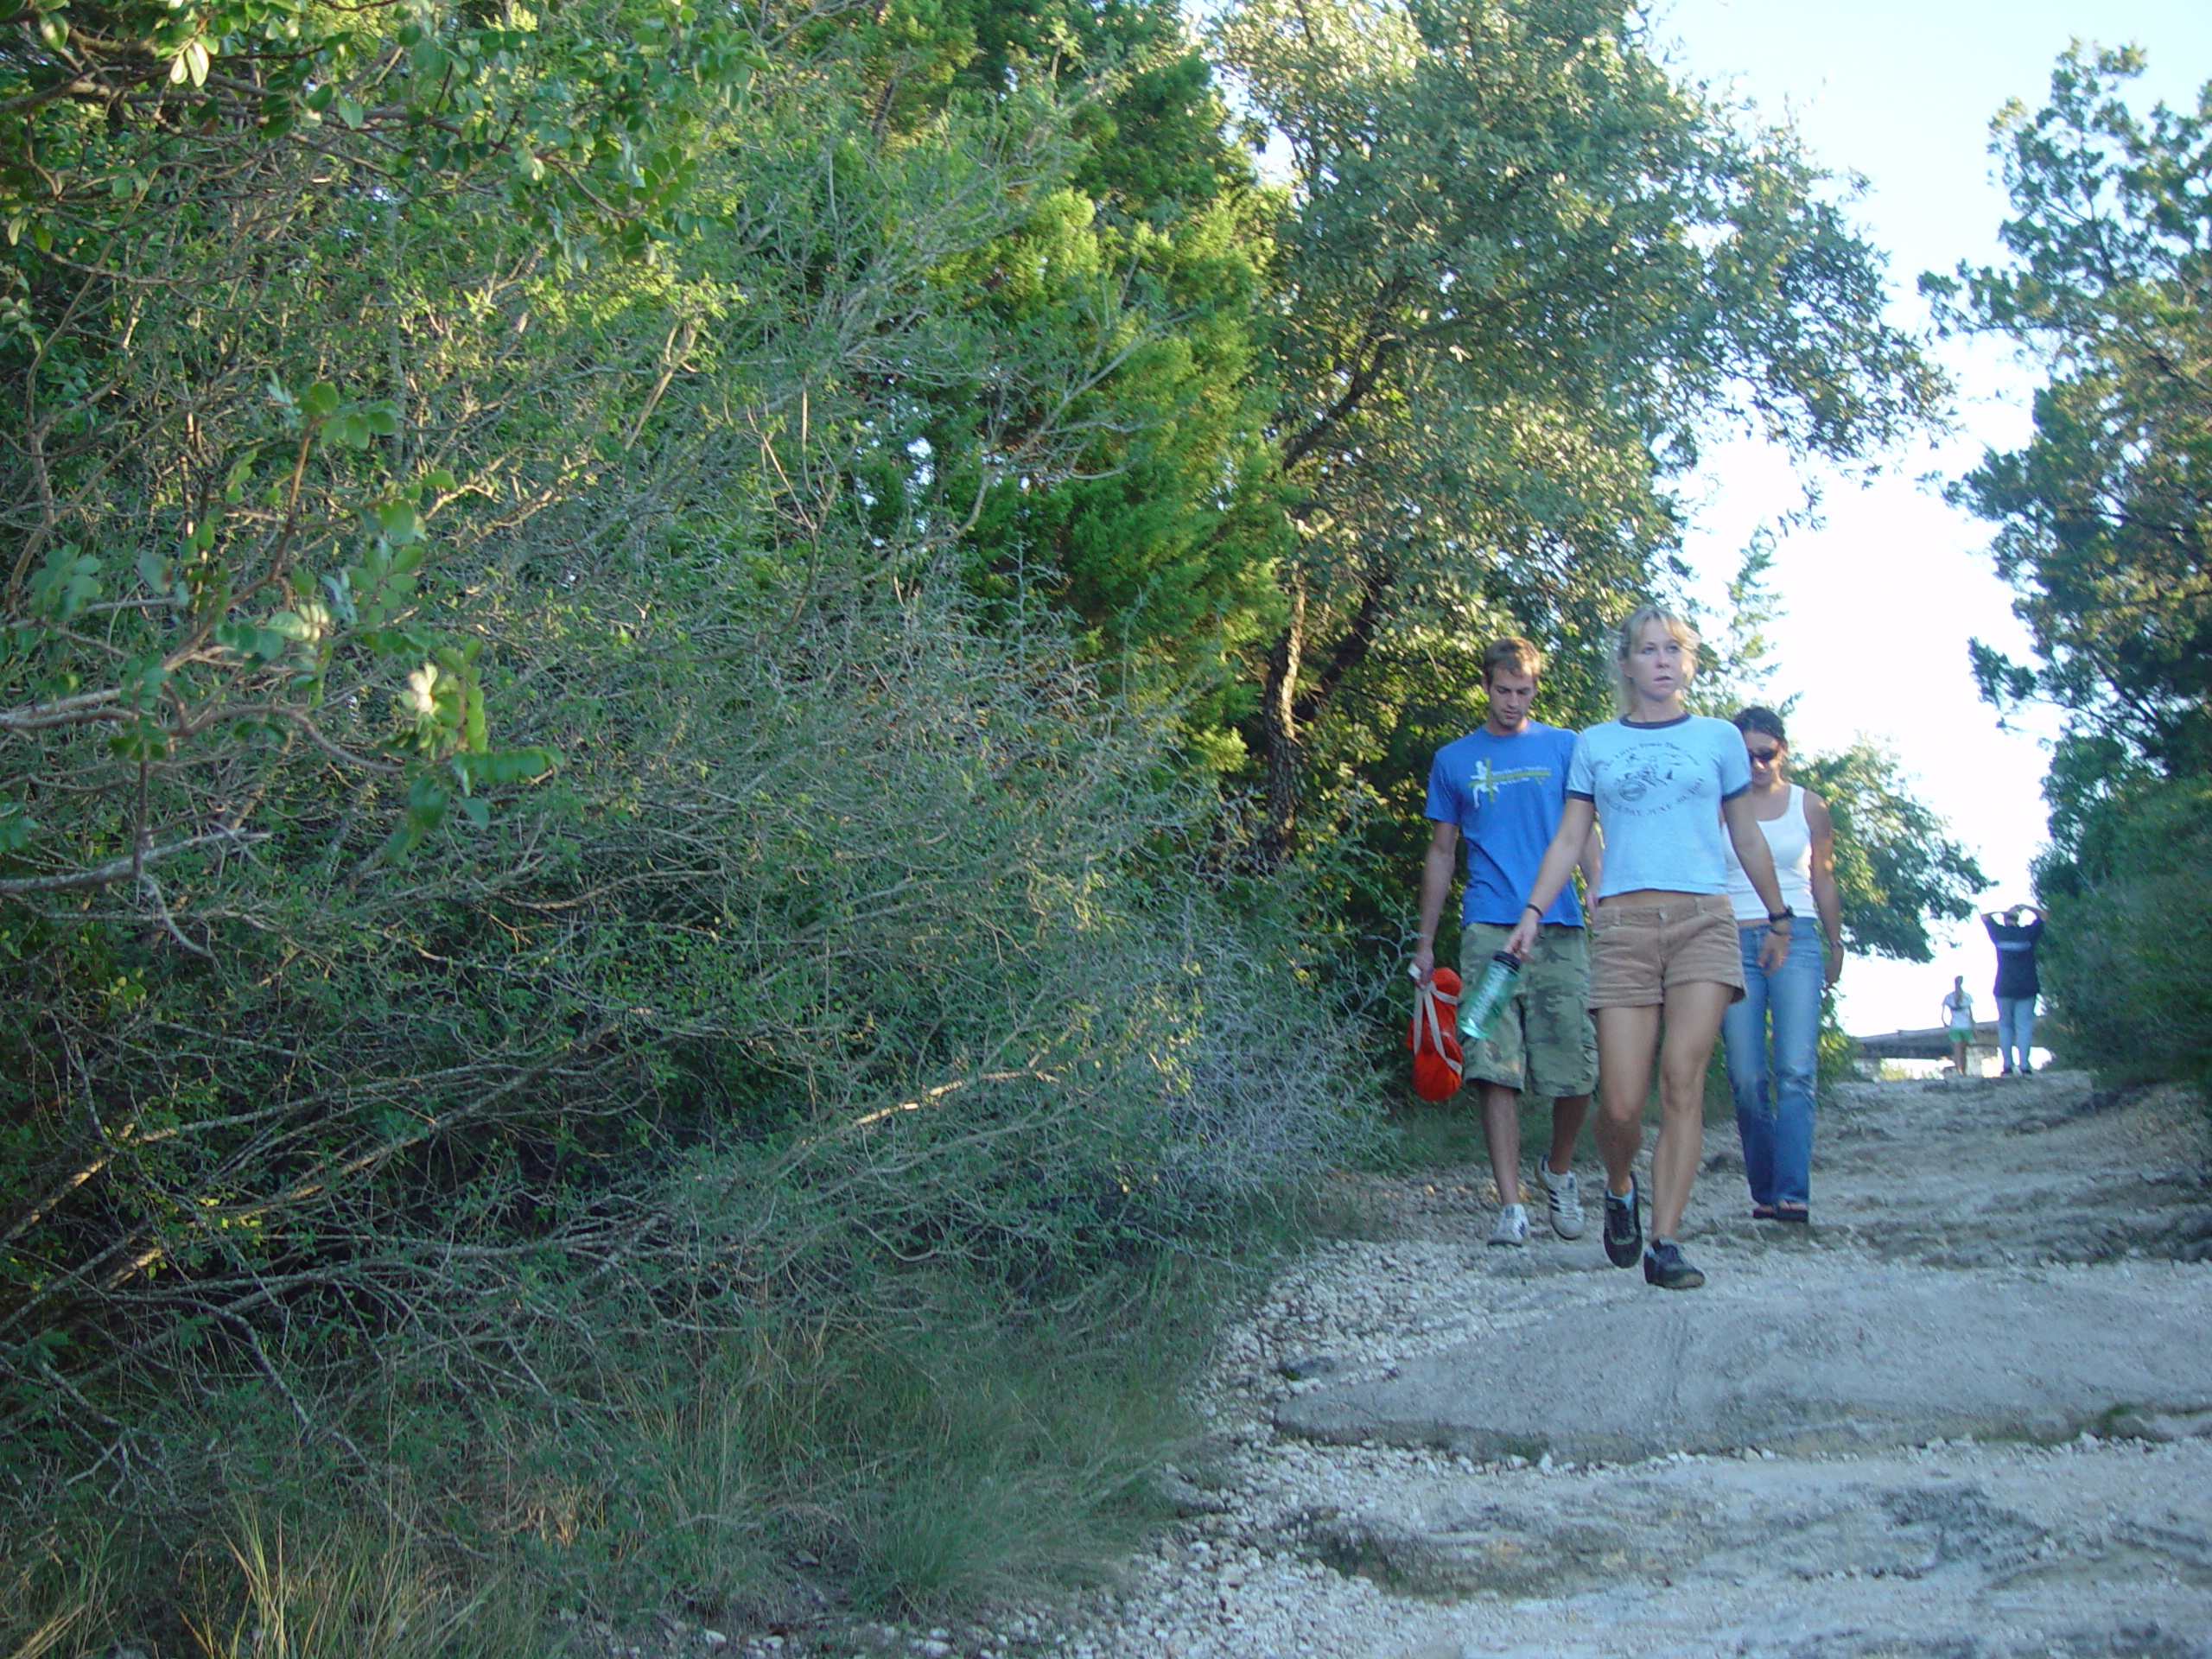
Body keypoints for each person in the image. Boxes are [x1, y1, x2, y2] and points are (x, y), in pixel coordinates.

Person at [1504, 606, 1790, 1291]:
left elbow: (1745, 836)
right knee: (1623, 1105)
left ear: (1687, 663)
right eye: (1648, 650)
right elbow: (1571, 838)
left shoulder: (1720, 739)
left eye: (1674, 650)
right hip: (1626, 925)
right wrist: (1533, 913)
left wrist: (1779, 916)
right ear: (1626, 665)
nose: (1662, 660)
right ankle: (1620, 1182)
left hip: (1704, 920)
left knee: (1682, 1081)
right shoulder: (1595, 744)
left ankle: (1666, 1241)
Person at [1412, 637, 1604, 1249]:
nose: (1513, 701)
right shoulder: (1454, 760)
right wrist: (1424, 943)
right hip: (1488, 926)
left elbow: (1585, 832)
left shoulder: (1566, 747)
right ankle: (1511, 1205)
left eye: (1523, 691)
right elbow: (1441, 852)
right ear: (1486, 686)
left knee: (1576, 1070)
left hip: (1562, 924)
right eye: (1502, 690)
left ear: (1535, 689)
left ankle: (1559, 1170)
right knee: (1494, 1068)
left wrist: (1599, 888)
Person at [1718, 708, 1844, 1224]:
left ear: (1783, 751)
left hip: (1798, 938)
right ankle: (1764, 1189)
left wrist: (1836, 942)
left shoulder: (1810, 807)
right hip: (1731, 936)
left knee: (1795, 1070)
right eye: (1745, 754)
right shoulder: (1719, 807)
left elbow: (1825, 878)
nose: (1755, 764)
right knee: (1746, 1077)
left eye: (1765, 753)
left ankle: (1793, 1193)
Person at [1983, 904, 2045, 1075]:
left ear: (2005, 920)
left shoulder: (1999, 934)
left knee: (2005, 1026)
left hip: (2004, 986)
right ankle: (2024, 1065)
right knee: (2024, 1026)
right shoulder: (2028, 934)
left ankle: (2007, 1066)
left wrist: (2001, 910)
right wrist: (2026, 907)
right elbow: (2044, 916)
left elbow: (1985, 916)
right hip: (2027, 985)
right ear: (2018, 919)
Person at [1941, 976, 1975, 1076]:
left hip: (1966, 1026)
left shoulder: (1967, 997)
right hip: (1955, 1026)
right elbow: (1943, 1011)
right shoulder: (1949, 997)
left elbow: (1970, 1013)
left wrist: (1973, 1026)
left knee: (1963, 1051)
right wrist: (1944, 1022)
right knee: (1957, 1050)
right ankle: (1959, 1071)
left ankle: (1963, 1071)